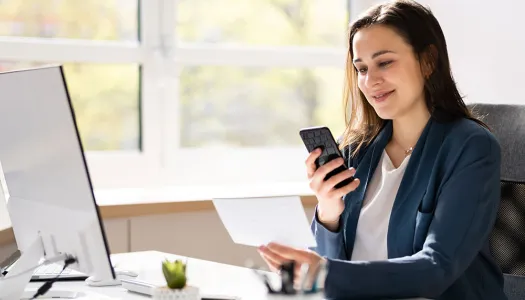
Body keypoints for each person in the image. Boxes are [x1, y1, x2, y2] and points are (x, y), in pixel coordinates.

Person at [257, 0, 507, 299]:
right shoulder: (355, 148)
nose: (370, 80)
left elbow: (437, 268)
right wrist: (328, 211)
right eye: (361, 68)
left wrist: (324, 272)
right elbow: (330, 268)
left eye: (384, 62)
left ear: (428, 61)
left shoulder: (470, 147)